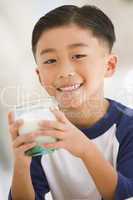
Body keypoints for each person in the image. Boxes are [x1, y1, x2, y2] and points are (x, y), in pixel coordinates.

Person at [8, 4, 133, 200]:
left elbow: (126, 195)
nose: (65, 71)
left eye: (78, 56)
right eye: (50, 60)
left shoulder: (128, 127)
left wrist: (84, 149)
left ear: (109, 65)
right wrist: (21, 165)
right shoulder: (42, 131)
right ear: (40, 76)